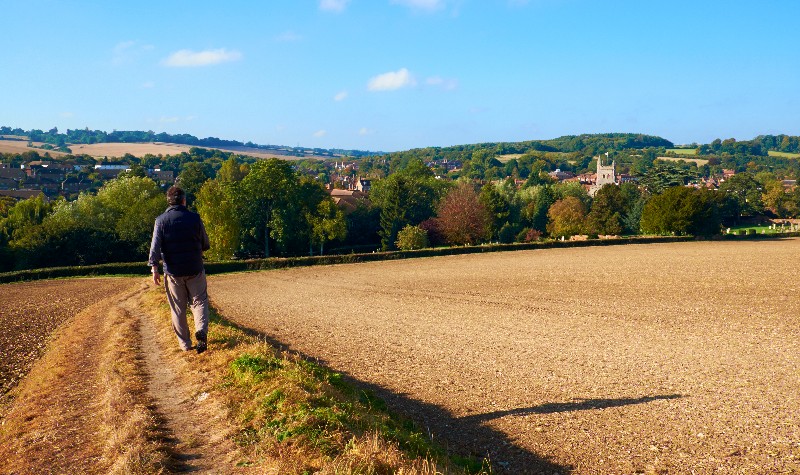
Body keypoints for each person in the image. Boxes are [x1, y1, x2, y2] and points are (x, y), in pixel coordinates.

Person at [148, 185, 211, 353]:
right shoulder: (195, 218)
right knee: (199, 301)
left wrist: (154, 268)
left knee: (178, 308)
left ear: (169, 201)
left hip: (173, 272)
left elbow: (155, 247)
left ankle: (185, 344)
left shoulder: (160, 221)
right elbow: (206, 244)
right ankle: (201, 331)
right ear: (184, 201)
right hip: (195, 268)